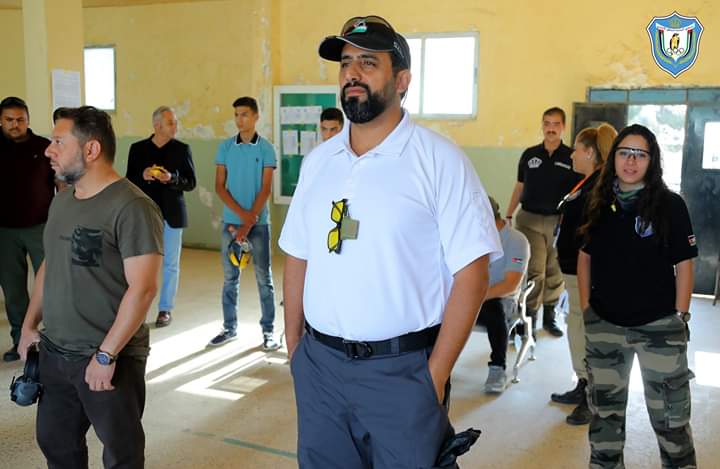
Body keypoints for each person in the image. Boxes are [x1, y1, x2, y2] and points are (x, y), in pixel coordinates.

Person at [279, 15, 501, 468]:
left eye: (368, 63)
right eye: (345, 63)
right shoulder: (320, 162)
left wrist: (434, 376)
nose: (352, 73)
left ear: (402, 81)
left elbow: (473, 275)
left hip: (402, 372)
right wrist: (296, 350)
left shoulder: (438, 160)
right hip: (320, 369)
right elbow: (298, 255)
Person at [17, 106, 163, 469]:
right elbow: (50, 265)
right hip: (55, 352)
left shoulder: (133, 206)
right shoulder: (62, 201)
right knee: (56, 443)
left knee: (121, 452)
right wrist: (28, 325)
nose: (48, 150)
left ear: (91, 149)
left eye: (58, 142)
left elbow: (143, 289)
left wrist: (105, 355)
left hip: (107, 356)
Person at [578, 124, 697, 468]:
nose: (631, 161)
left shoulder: (670, 205)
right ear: (613, 157)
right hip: (605, 327)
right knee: (605, 422)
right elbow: (585, 257)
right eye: (624, 153)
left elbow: (684, 264)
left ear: (652, 160)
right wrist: (587, 310)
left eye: (639, 154)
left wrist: (681, 316)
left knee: (671, 422)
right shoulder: (596, 202)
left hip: (660, 328)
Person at [550, 124, 617, 425]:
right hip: (572, 271)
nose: (572, 155)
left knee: (586, 331)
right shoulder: (587, 182)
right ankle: (582, 383)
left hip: (584, 273)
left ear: (590, 152)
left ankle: (593, 396)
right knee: (576, 327)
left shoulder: (599, 188)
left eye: (576, 149)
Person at [210, 96, 280, 351]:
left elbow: (265, 189)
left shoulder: (266, 149)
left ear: (256, 116)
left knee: (264, 279)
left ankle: (268, 331)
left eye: (245, 114)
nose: (240, 120)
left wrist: (249, 223)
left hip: (258, 225)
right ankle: (229, 328)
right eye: (236, 115)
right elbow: (220, 187)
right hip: (232, 225)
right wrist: (242, 218)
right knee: (230, 278)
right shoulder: (226, 148)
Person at [505, 107, 582, 338]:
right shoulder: (529, 155)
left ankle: (550, 317)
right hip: (529, 220)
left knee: (554, 269)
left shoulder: (571, 157)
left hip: (559, 222)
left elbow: (579, 191)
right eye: (547, 123)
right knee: (535, 269)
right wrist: (509, 214)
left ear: (563, 127)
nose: (551, 128)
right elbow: (519, 186)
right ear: (542, 125)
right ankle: (528, 319)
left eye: (556, 124)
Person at [126, 105, 196, 327]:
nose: (176, 126)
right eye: (171, 123)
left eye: (175, 122)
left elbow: (191, 183)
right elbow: (129, 181)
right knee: (142, 264)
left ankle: (165, 309)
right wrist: (144, 175)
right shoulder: (137, 149)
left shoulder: (182, 149)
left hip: (172, 215)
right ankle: (137, 308)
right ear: (157, 126)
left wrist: (171, 178)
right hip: (145, 215)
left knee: (171, 264)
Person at [0, 96, 55, 362]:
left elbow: (60, 184)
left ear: (28, 120)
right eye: (9, 120)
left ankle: (53, 340)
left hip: (40, 227)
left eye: (20, 119)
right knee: (13, 291)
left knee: (51, 284)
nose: (15, 124)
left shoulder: (44, 147)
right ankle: (19, 341)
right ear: (1, 121)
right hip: (4, 232)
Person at [476, 196, 529, 394]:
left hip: (503, 298)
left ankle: (498, 367)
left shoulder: (516, 240)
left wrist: (475, 298)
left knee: (494, 309)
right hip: (474, 294)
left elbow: (510, 284)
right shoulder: (474, 237)